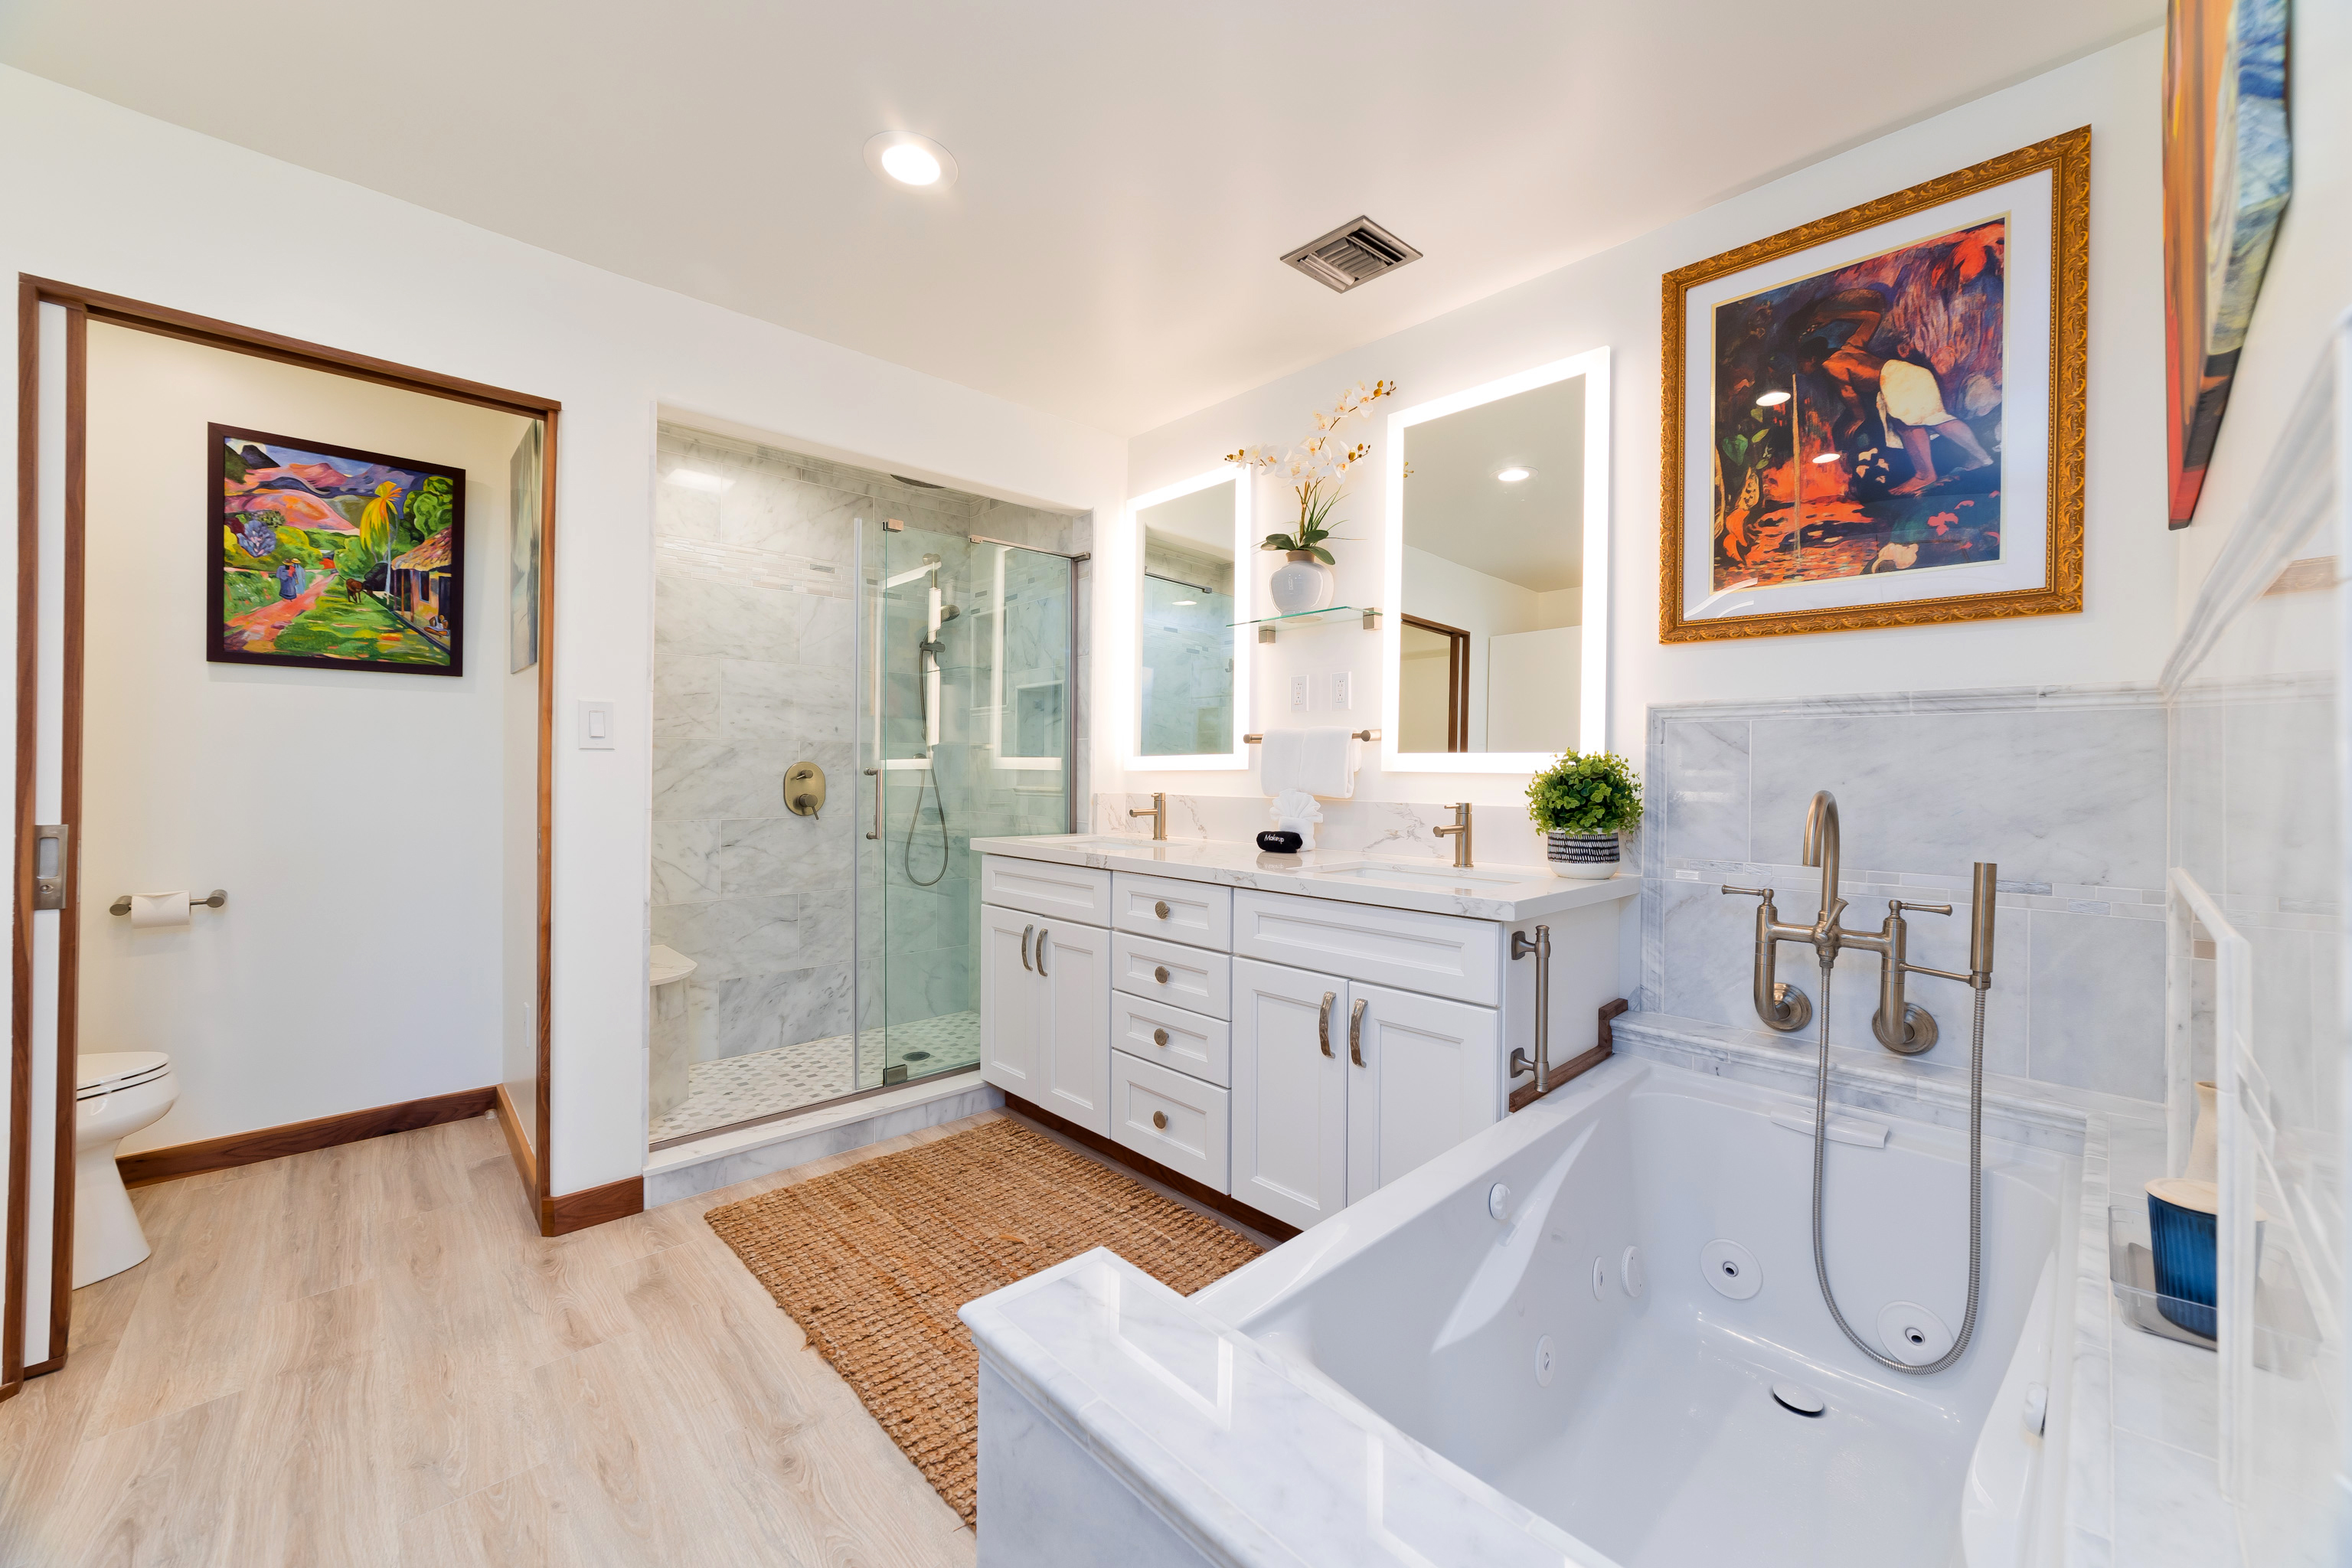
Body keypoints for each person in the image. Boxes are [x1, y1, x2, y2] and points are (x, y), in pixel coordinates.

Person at [1792, 288, 1994, 495]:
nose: (1801, 370)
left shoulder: (1830, 365)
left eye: (1801, 364)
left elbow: (1848, 393)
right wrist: (1833, 317)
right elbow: (1872, 317)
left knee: (1911, 425)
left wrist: (1857, 418)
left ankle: (1925, 475)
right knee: (1935, 420)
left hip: (1895, 378)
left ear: (1812, 359)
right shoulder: (1851, 347)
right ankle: (1980, 456)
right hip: (1911, 373)